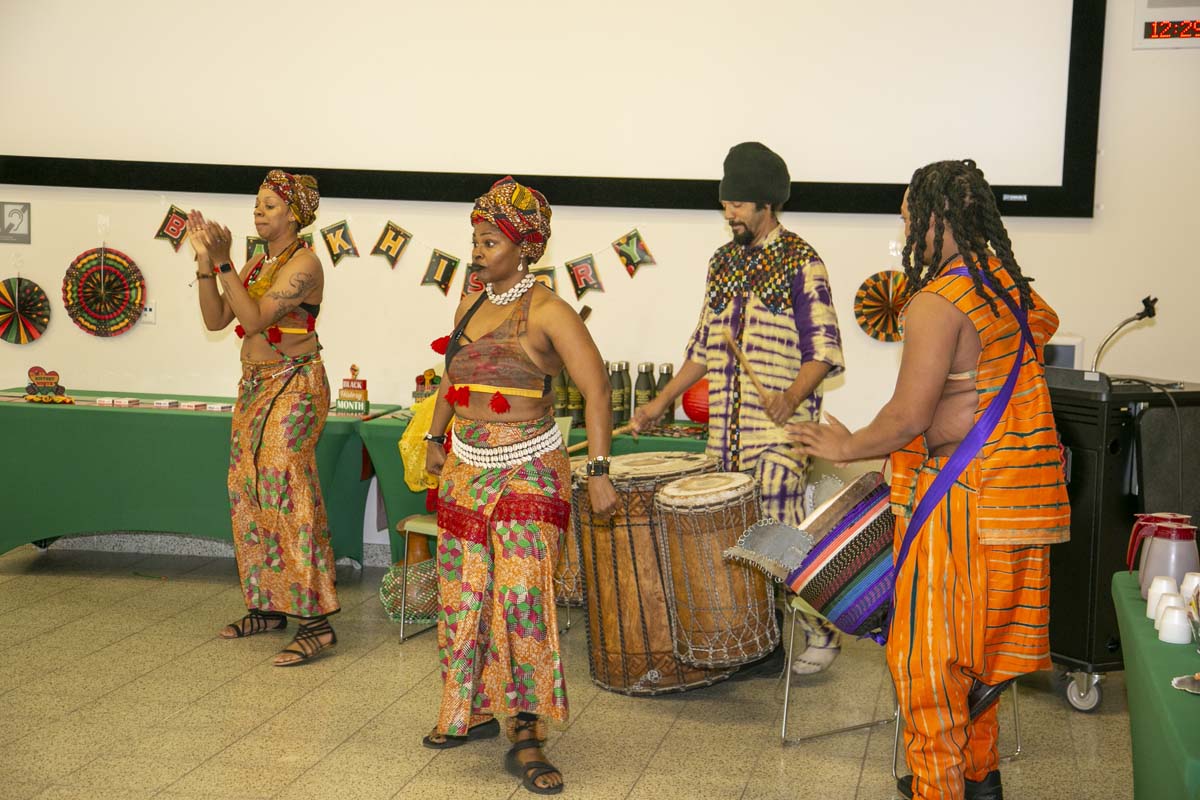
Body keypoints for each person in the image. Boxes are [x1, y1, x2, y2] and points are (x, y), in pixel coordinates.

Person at [789, 159, 1070, 800]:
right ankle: (979, 780)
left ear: (938, 219)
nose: (905, 228)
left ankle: (937, 787)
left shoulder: (938, 302)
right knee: (979, 660)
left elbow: (909, 415)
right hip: (1017, 501)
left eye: (910, 216)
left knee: (928, 661)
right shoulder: (1005, 286)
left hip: (964, 505)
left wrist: (847, 445)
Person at [422, 177, 617, 795]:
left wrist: (599, 471)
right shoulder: (469, 303)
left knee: (522, 596)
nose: (477, 251)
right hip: (465, 466)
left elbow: (598, 390)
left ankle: (527, 731)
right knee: (464, 594)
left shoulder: (550, 311)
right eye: (475, 240)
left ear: (524, 248)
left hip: (530, 467)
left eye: (490, 241)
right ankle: (474, 709)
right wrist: (434, 437)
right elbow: (452, 380)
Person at [631, 142, 845, 675]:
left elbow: (824, 350)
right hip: (725, 436)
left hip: (779, 435)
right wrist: (660, 401)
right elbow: (703, 346)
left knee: (780, 534)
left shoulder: (802, 263)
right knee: (737, 542)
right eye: (725, 203)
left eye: (740, 204)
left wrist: (790, 396)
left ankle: (822, 629)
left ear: (767, 204)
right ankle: (758, 639)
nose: (730, 213)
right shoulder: (722, 262)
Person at [188, 170, 339, 667]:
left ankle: (316, 622)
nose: (259, 211)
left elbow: (253, 320)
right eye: (257, 203)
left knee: (285, 484)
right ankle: (268, 604)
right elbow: (216, 320)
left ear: (294, 215)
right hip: (255, 385)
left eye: (270, 205)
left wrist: (224, 260)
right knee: (247, 486)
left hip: (295, 384)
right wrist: (206, 262)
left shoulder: (305, 263)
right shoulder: (258, 262)